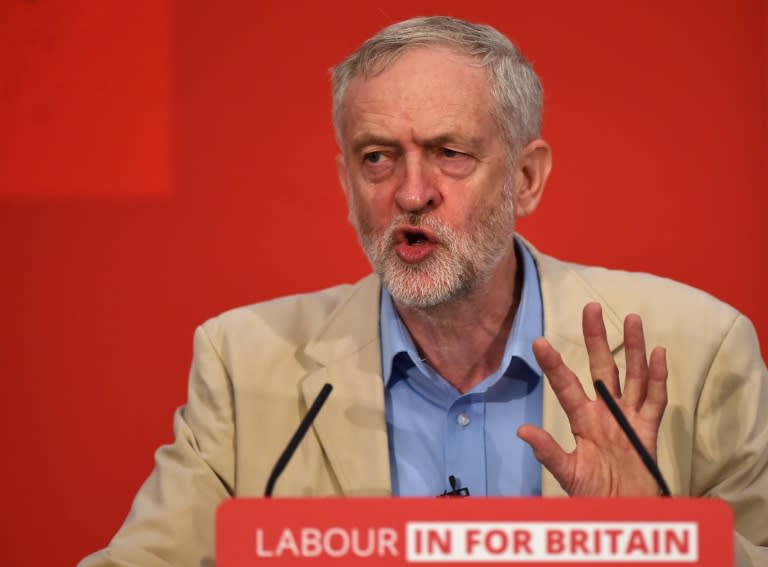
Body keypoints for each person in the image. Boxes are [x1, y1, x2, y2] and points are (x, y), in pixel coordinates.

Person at [79, 15, 768, 567]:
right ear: (348, 181)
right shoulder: (243, 361)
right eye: (377, 157)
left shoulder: (701, 351)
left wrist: (662, 541)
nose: (411, 192)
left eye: (450, 153)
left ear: (526, 178)